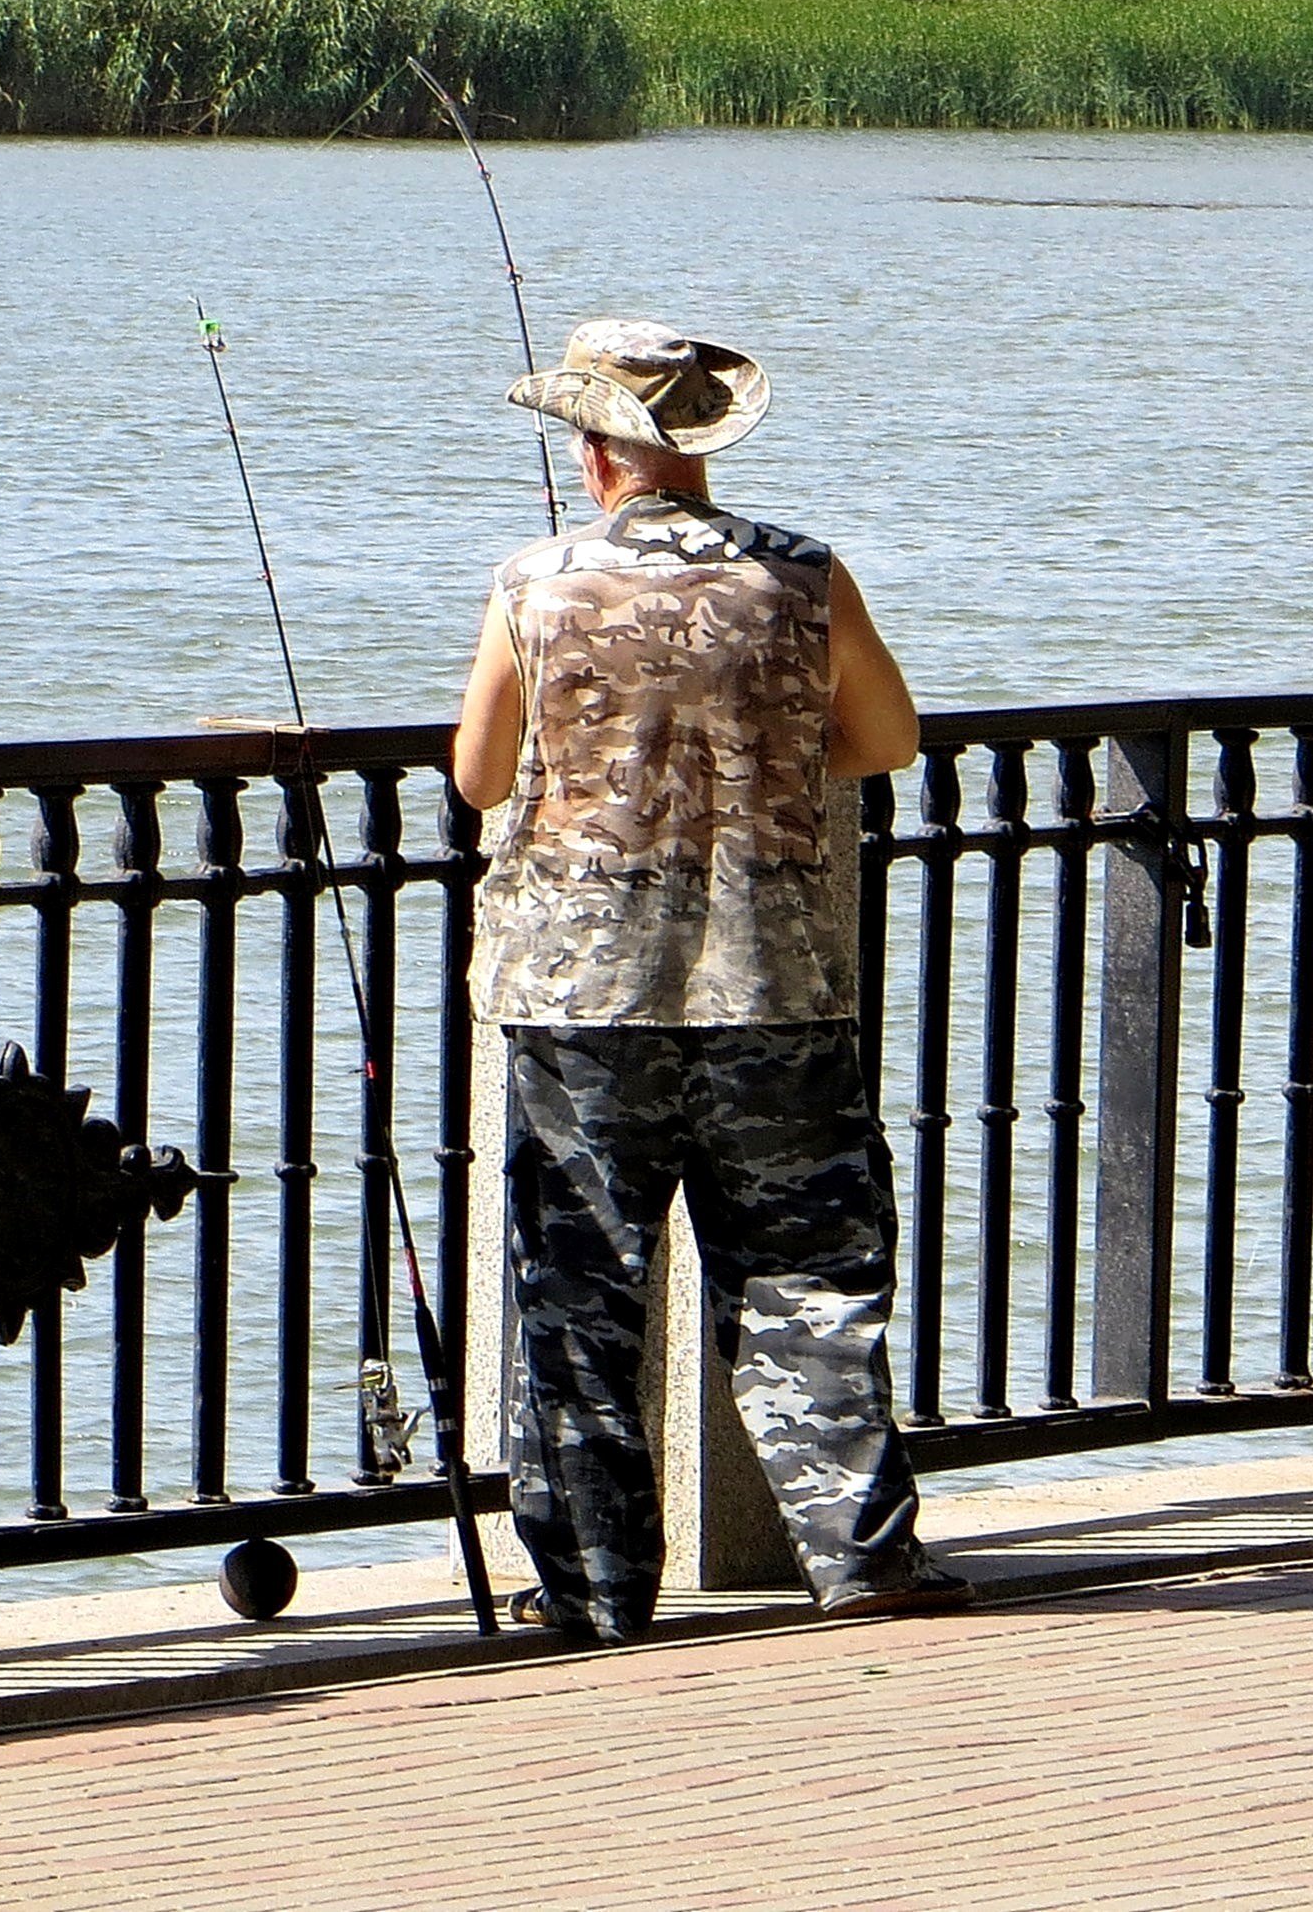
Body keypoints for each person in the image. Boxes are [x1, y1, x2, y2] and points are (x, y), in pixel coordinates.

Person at [450, 315, 972, 1644]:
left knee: (580, 1293)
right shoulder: (801, 575)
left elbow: (477, 774)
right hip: (776, 986)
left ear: (593, 452)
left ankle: (592, 1589)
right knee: (807, 1278)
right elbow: (886, 739)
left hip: (579, 1002)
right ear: (692, 450)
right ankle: (862, 1560)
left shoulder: (535, 581)